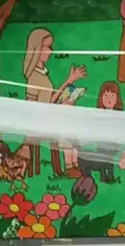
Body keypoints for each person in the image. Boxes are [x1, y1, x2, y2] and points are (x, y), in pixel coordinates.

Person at [22, 27, 86, 178]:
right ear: (37, 48)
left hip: (46, 117)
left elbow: (48, 100)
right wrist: (61, 106)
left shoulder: (41, 73)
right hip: (39, 122)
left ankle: (74, 164)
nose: (50, 51)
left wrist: (69, 81)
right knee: (67, 127)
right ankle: (70, 166)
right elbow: (37, 108)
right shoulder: (34, 77)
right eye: (47, 47)